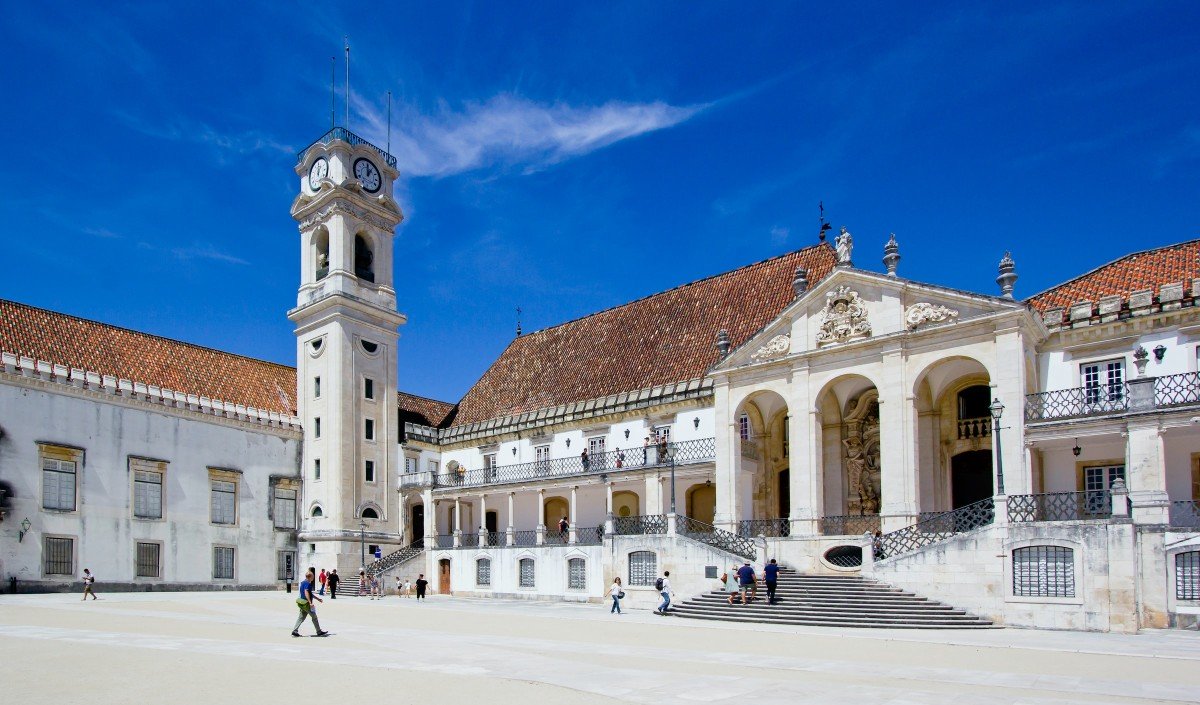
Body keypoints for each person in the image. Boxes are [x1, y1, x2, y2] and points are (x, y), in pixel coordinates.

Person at [291, 569, 330, 637]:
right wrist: (310, 602)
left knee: (301, 617)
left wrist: (318, 599)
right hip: (306, 603)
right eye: (312, 576)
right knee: (314, 617)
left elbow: (310, 593)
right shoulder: (307, 583)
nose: (313, 578)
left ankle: (295, 630)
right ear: (309, 577)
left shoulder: (303, 582)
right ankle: (319, 631)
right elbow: (306, 592)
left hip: (302, 602)